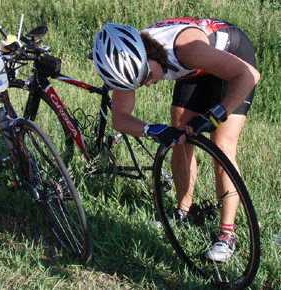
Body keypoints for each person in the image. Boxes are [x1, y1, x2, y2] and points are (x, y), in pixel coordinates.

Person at [93, 18, 260, 262]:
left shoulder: (186, 50)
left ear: (152, 58)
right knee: (180, 137)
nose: (148, 84)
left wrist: (215, 116)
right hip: (194, 69)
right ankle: (184, 211)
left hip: (232, 60)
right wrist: (153, 130)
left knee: (221, 145)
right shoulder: (129, 59)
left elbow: (249, 76)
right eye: (140, 83)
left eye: (147, 77)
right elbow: (119, 118)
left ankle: (227, 234)